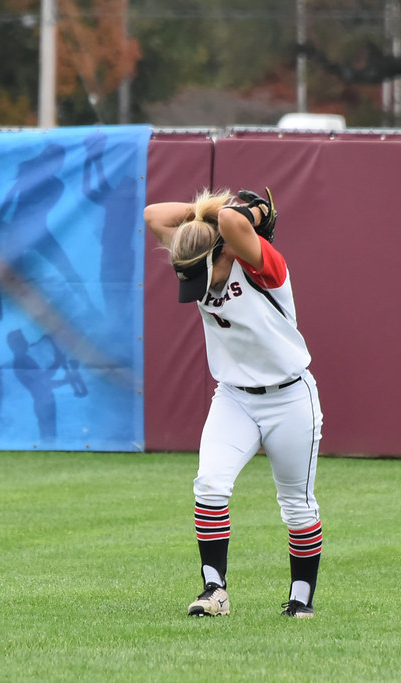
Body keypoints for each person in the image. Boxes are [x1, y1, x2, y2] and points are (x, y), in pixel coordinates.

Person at [144, 187, 324, 617]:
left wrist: (247, 213)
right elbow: (154, 214)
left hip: (289, 397)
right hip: (234, 397)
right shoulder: (197, 251)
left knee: (296, 504)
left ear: (218, 252)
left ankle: (301, 598)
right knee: (210, 484)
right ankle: (214, 591)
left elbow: (231, 224)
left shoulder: (263, 267)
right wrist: (199, 214)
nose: (194, 288)